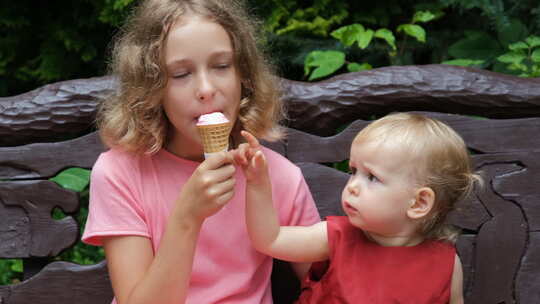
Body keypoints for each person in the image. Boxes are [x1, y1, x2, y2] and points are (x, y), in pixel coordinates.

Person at [81, 0, 320, 303]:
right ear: (152, 87)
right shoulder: (121, 174)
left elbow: (328, 282)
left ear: (243, 76)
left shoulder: (276, 177)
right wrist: (187, 217)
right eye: (181, 74)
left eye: (221, 66)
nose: (206, 88)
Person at [233, 113, 483, 304]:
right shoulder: (335, 238)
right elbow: (270, 239)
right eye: (353, 171)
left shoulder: (447, 264)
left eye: (372, 177)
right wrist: (257, 184)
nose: (352, 186)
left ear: (419, 203)